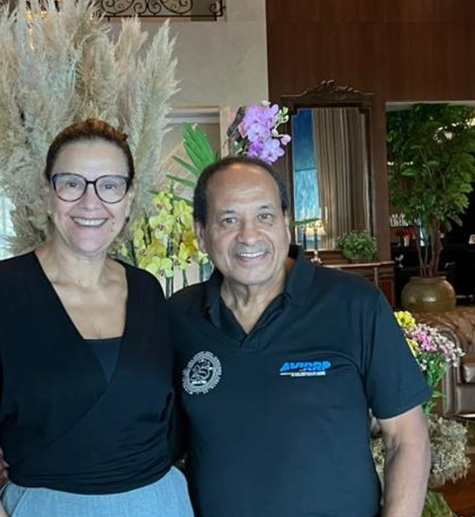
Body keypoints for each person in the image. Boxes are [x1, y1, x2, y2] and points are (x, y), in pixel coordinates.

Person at [0, 119, 194, 517]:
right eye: (72, 183)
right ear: (47, 193)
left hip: (161, 503)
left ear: (128, 199)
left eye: (110, 185)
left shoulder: (146, 290)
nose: (91, 202)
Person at [169, 155, 431, 517]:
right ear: (201, 233)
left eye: (265, 216)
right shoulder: (179, 316)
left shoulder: (354, 304)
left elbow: (407, 438)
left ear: (286, 224)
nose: (249, 236)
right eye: (228, 220)